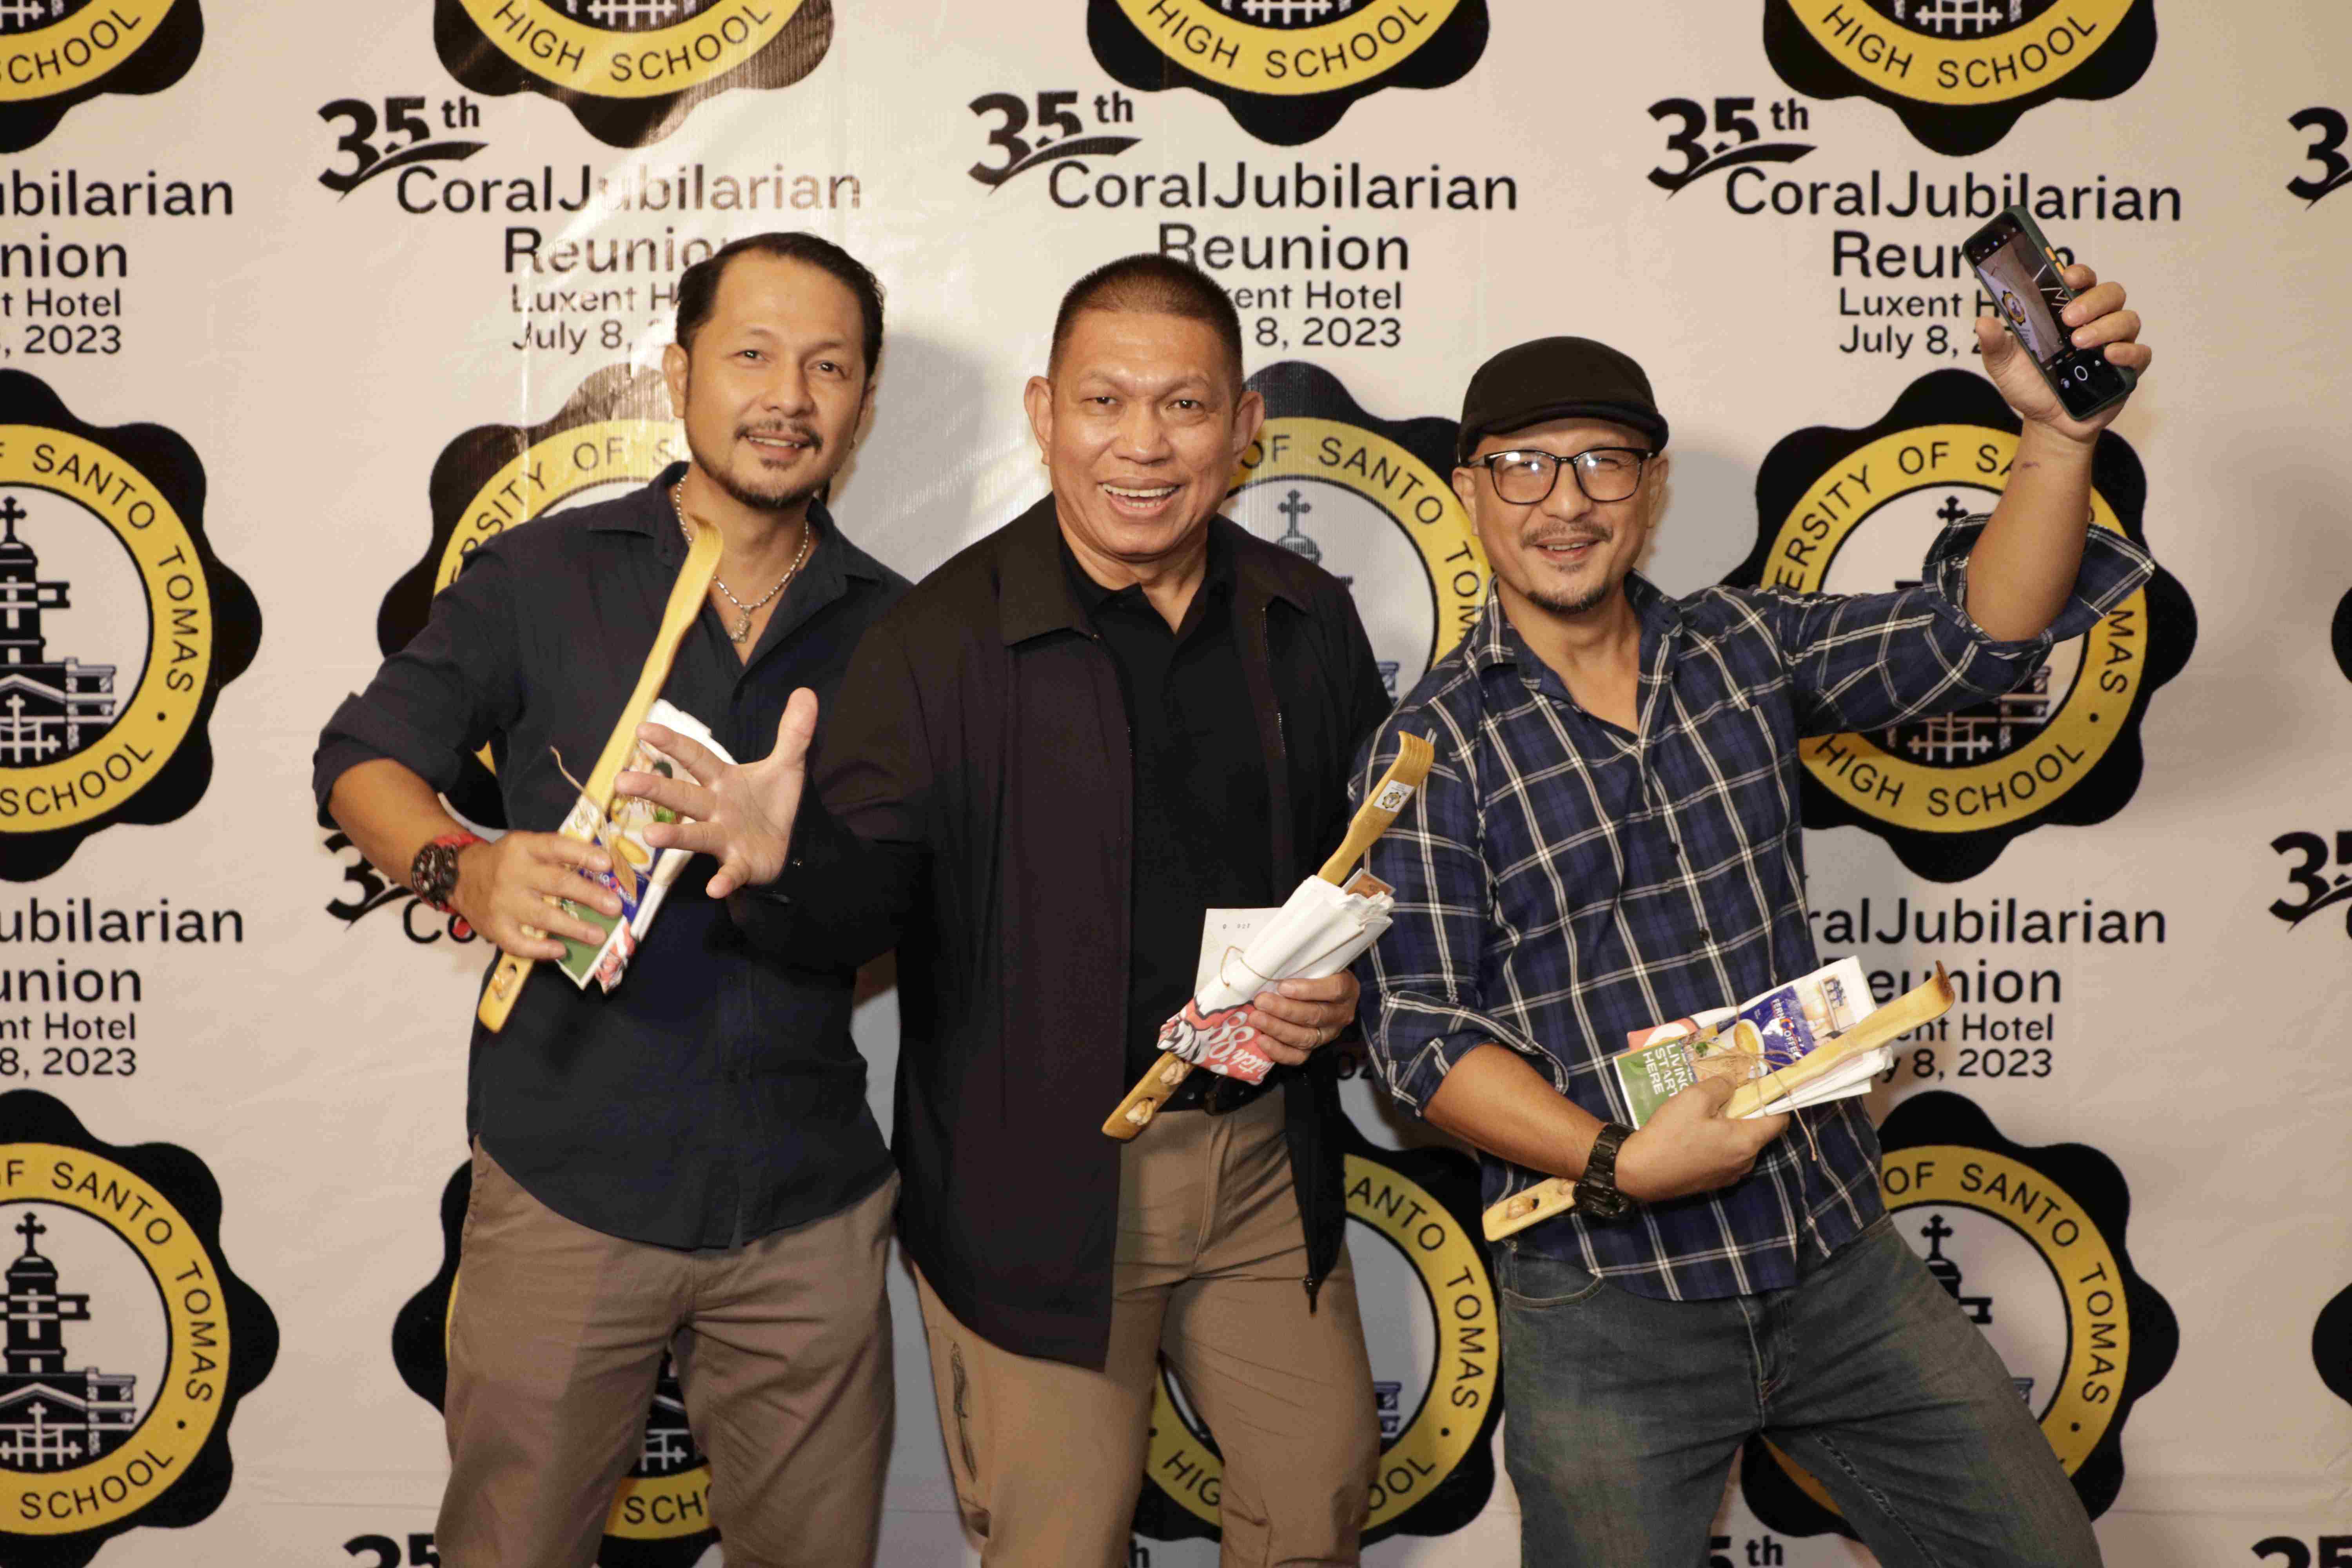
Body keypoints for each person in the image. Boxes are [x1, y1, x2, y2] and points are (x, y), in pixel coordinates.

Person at [1350, 268, 2154, 1564]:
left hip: (1836, 1252)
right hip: (1609, 1299)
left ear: (1652, 486)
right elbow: (1420, 1033)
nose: (1567, 502)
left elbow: (1976, 639)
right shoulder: (1431, 748)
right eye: (1525, 467)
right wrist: (1620, 1163)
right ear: (1468, 491)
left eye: (1604, 463)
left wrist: (2058, 438)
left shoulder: (1743, 647)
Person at [622, 254, 1387, 1566]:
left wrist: (1349, 991)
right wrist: (782, 860)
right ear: (1044, 414)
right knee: (1055, 1544)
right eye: (1104, 402)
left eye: (1185, 406)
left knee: (1316, 1503)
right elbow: (855, 915)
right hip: (1040, 1185)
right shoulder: (939, 640)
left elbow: (1371, 871)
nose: (1142, 445)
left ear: (1245, 426)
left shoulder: (1307, 619)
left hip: (1264, 1162)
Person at [314, 232, 907, 1568]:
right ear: (679, 372)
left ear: (865, 401)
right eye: (751, 355)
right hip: (567, 1181)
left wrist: (799, 863)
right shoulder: (546, 576)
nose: (788, 397)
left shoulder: (902, 629)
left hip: (806, 1200)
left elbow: (919, 900)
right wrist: (465, 867)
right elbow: (360, 759)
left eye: (828, 367)